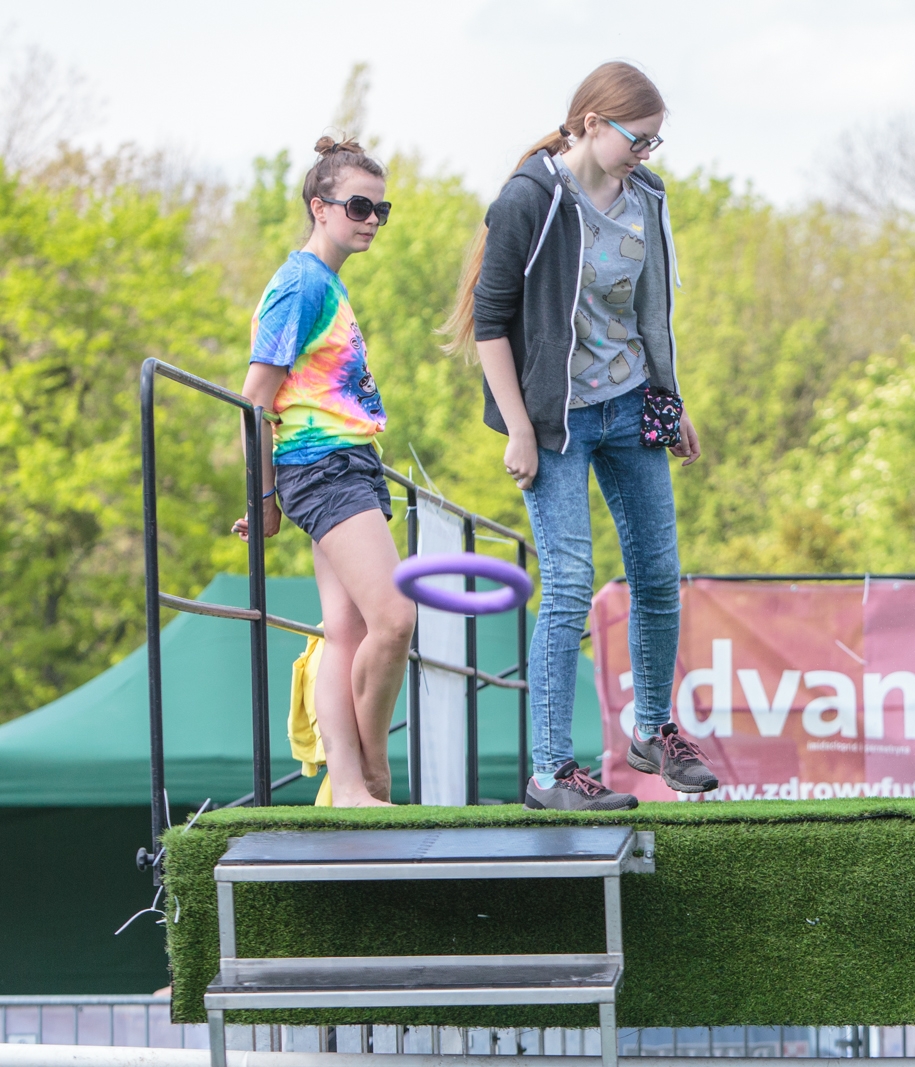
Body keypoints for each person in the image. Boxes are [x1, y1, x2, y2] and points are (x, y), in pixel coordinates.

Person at [444, 62, 717, 810]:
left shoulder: (646, 199)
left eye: (657, 143)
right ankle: (550, 773)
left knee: (658, 577)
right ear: (592, 124)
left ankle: (653, 728)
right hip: (555, 423)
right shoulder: (530, 200)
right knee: (568, 589)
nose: (647, 155)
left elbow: (650, 311)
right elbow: (491, 323)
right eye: (639, 139)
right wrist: (520, 430)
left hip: (631, 406)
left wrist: (671, 396)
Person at [233, 137, 415, 808]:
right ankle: (371, 771)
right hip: (322, 465)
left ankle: (349, 781)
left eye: (380, 208)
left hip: (347, 461)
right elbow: (254, 397)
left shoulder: (326, 283)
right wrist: (266, 496)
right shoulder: (301, 281)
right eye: (359, 205)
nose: (371, 219)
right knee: (394, 618)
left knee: (347, 630)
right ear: (321, 206)